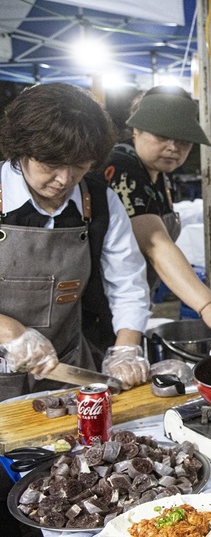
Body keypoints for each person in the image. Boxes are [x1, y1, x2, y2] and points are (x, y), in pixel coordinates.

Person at [0, 83, 152, 401]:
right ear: (20, 150)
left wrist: (126, 348)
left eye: (80, 166)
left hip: (66, 371)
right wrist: (9, 331)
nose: (64, 180)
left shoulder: (99, 202)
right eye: (51, 165)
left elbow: (128, 285)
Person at [92, 88, 211, 347]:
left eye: (183, 140)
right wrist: (207, 304)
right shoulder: (123, 168)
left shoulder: (157, 174)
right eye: (162, 136)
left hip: (129, 307)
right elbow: (155, 245)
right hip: (103, 309)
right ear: (136, 130)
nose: (173, 148)